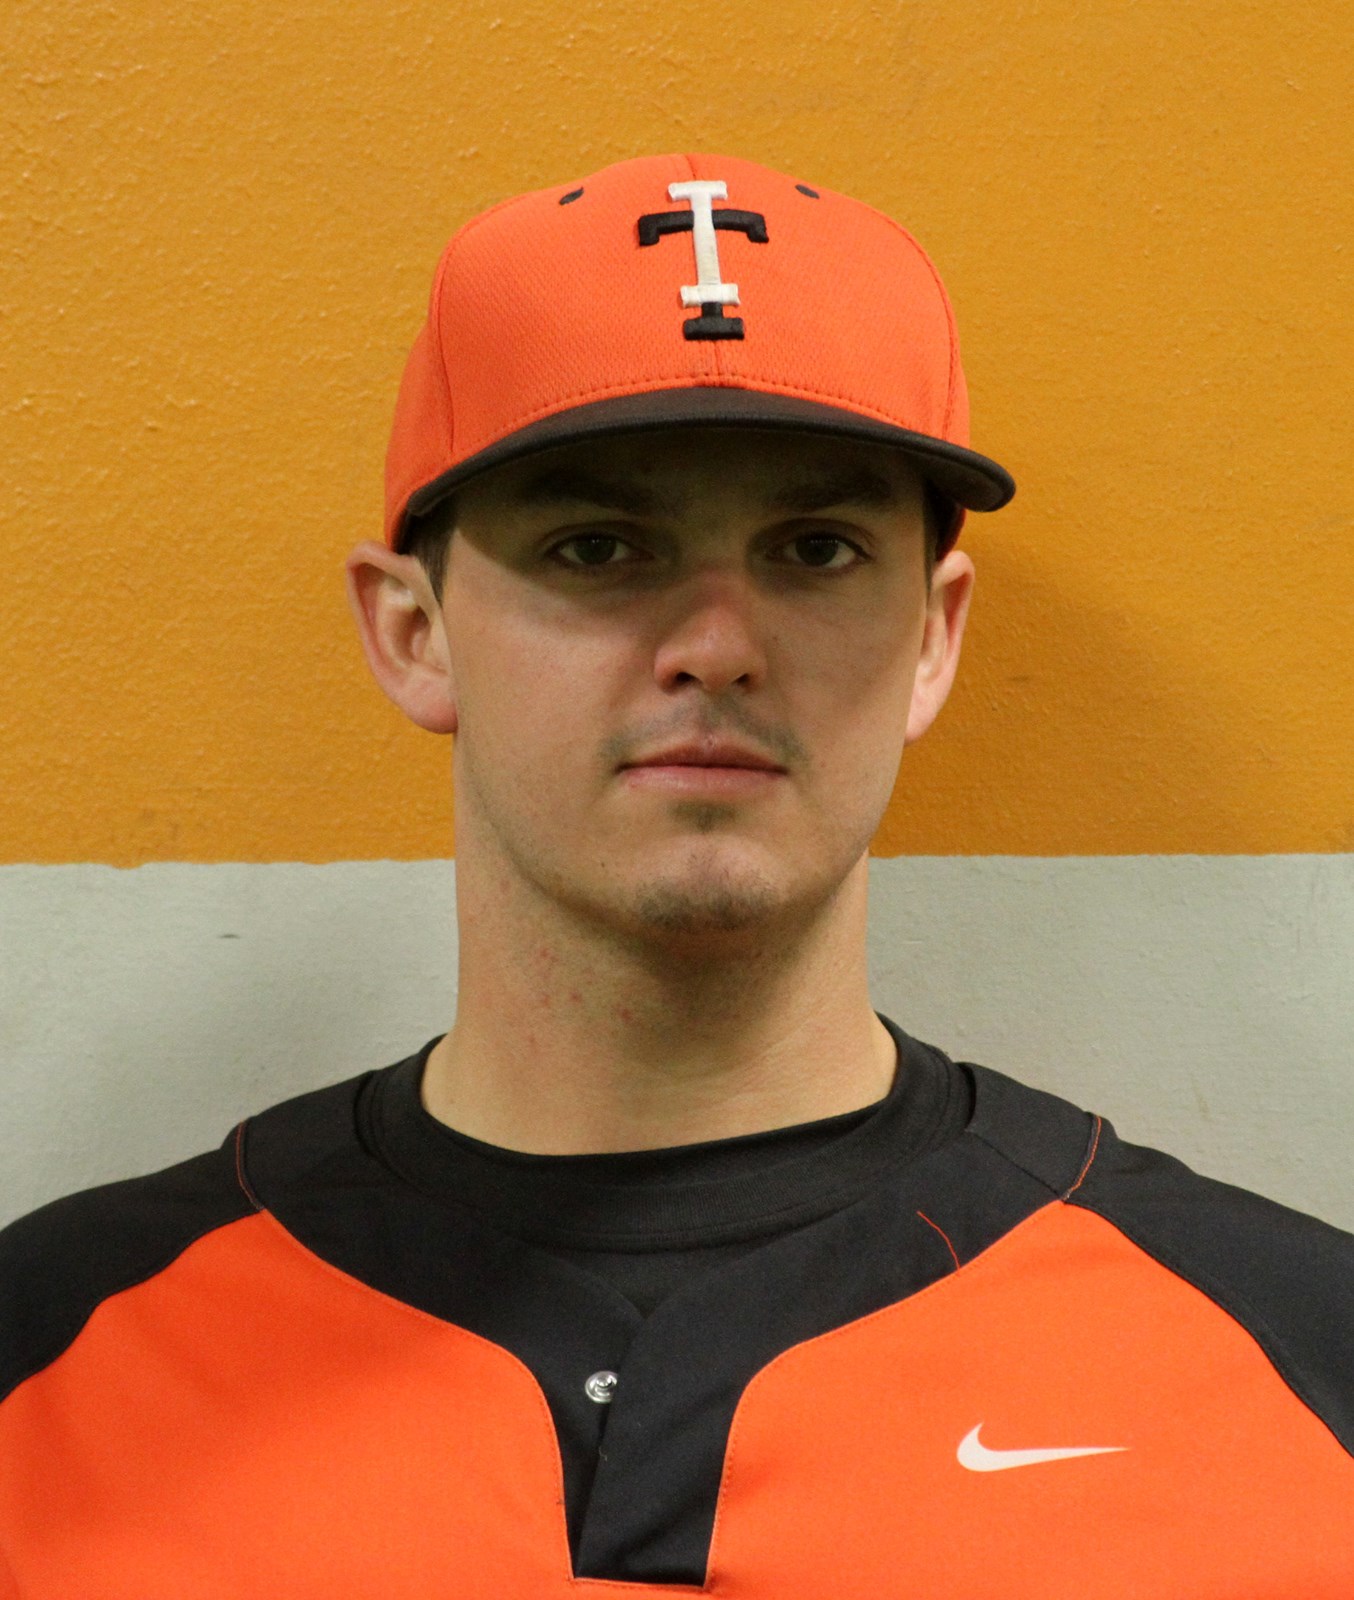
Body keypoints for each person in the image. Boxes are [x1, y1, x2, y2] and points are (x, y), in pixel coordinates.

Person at [2, 153, 1351, 1597]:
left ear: (934, 637)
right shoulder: (49, 1356)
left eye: (816, 549)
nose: (717, 645)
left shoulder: (1302, 1362)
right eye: (597, 547)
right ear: (412, 633)